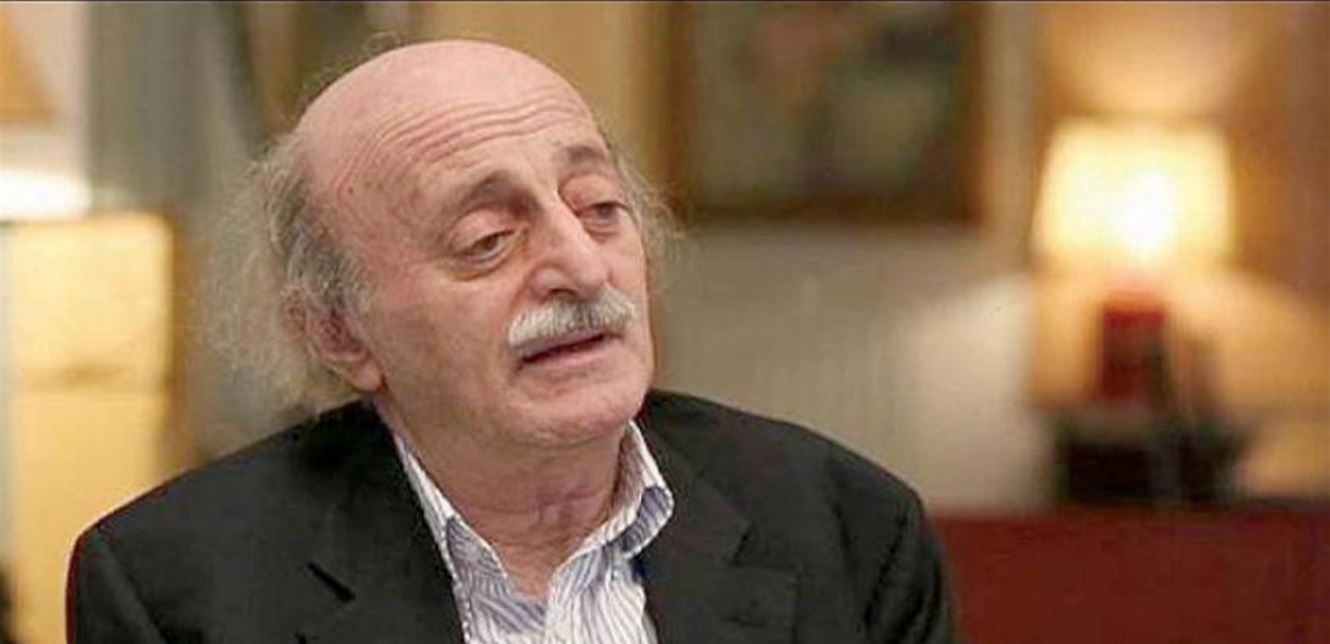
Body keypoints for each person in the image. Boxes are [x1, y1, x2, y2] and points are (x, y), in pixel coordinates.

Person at [67, 41, 955, 643]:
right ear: (339, 329)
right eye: (488, 239)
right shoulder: (176, 589)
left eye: (599, 209)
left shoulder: (848, 530)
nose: (583, 267)